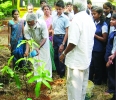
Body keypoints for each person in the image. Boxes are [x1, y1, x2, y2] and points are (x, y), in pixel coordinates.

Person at [59, 0, 96, 100]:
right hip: (85, 58)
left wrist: (63, 54)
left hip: (76, 61)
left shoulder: (76, 20)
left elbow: (73, 43)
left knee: (74, 88)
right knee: (82, 88)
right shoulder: (89, 19)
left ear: (75, 8)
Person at [24, 13, 52, 77]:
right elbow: (28, 40)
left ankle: (47, 77)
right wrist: (26, 51)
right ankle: (38, 78)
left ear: (35, 21)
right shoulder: (26, 28)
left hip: (44, 43)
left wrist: (39, 47)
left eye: (31, 23)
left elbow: (45, 38)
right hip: (34, 43)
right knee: (36, 60)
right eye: (28, 23)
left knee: (45, 60)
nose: (30, 25)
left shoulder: (42, 24)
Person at [89, 7, 108, 85]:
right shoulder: (93, 22)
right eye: (92, 14)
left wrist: (94, 35)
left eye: (95, 14)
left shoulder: (104, 25)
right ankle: (90, 79)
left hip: (99, 49)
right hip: (92, 47)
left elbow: (104, 39)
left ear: (100, 14)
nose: (93, 15)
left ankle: (98, 81)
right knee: (92, 65)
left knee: (98, 66)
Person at [50, 0, 70, 78]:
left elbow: (67, 32)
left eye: (60, 9)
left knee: (60, 56)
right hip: (55, 37)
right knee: (55, 56)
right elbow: (53, 29)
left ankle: (62, 74)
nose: (58, 11)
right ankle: (58, 72)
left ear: (63, 9)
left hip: (62, 38)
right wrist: (52, 40)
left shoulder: (65, 18)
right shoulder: (54, 17)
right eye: (57, 9)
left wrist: (63, 43)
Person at [40, 5, 56, 71]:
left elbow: (54, 28)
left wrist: (49, 31)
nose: (46, 10)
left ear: (50, 10)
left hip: (51, 37)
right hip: (44, 38)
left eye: (47, 9)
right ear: (43, 10)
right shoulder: (41, 19)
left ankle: (52, 67)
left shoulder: (53, 18)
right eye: (45, 9)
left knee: (52, 52)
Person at [105, 13, 116, 100]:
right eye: (111, 19)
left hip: (114, 56)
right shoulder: (114, 31)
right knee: (111, 73)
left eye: (113, 20)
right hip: (113, 55)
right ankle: (112, 89)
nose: (111, 21)